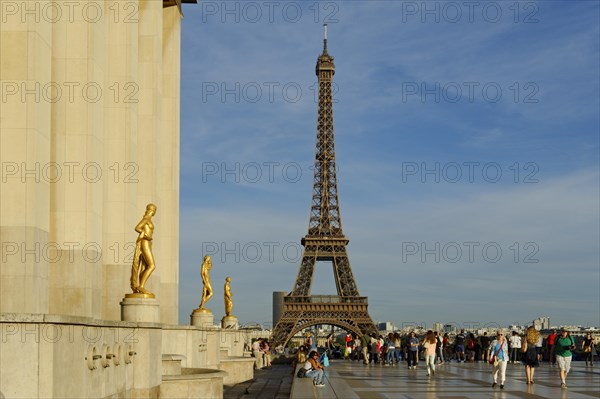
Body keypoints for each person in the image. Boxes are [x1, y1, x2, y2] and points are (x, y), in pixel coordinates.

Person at [130, 203, 157, 296]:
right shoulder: (146, 219)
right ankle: (141, 286)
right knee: (152, 265)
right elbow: (137, 228)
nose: (153, 212)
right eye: (153, 210)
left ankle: (141, 286)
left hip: (148, 243)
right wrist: (145, 235)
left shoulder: (148, 219)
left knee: (145, 266)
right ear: (152, 211)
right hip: (145, 242)